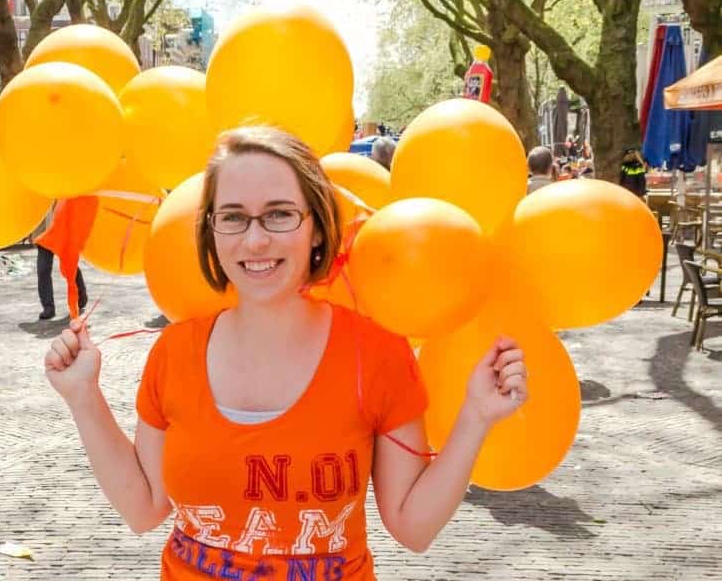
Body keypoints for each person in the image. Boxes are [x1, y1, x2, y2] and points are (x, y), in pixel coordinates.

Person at [43, 126, 528, 579]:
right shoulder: (174, 352)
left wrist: (477, 417)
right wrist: (83, 396)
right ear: (211, 230)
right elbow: (144, 507)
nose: (255, 240)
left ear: (316, 228)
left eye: (279, 214)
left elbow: (412, 527)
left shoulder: (376, 353)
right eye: (232, 217)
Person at [37, 244, 88, 320]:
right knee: (43, 270)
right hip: (43, 237)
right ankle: (48, 308)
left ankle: (81, 296)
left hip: (62, 235)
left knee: (70, 265)